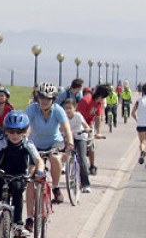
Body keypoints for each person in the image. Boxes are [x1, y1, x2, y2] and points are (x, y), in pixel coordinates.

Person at [24, 82, 73, 223]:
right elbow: (25, 127)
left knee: (55, 158)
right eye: (41, 97)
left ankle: (56, 188)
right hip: (35, 145)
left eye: (48, 98)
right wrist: (23, 141)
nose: (44, 101)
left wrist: (69, 143)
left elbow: (66, 128)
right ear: (37, 97)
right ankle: (29, 217)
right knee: (31, 177)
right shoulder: (32, 109)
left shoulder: (58, 110)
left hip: (54, 142)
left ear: (53, 99)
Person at [77, 85, 110, 175]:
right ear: (100, 96)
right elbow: (78, 116)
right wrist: (84, 128)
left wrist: (98, 132)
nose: (103, 100)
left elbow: (98, 118)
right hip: (80, 123)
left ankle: (92, 165)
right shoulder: (86, 100)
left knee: (91, 145)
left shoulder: (99, 103)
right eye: (103, 98)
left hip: (90, 123)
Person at [63, 98, 92, 193]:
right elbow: (59, 127)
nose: (68, 110)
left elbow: (85, 125)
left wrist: (87, 129)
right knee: (65, 154)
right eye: (66, 108)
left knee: (82, 159)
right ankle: (66, 169)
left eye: (70, 108)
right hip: (69, 138)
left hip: (80, 137)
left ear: (75, 108)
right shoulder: (63, 117)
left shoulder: (78, 116)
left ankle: (85, 184)